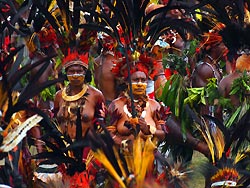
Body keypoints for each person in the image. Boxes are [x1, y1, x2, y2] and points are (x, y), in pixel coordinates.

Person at [107, 55, 170, 149]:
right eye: (136, 80)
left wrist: (149, 129)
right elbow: (108, 134)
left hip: (148, 157)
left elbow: (162, 135)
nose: (140, 84)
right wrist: (123, 144)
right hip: (122, 158)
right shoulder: (116, 105)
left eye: (143, 80)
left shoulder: (154, 105)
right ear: (127, 82)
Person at [54, 51, 105, 140]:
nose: (75, 75)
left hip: (87, 147)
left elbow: (103, 124)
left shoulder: (96, 95)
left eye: (79, 71)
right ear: (66, 73)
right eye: (72, 71)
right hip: (63, 147)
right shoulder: (59, 96)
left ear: (85, 72)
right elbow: (54, 122)